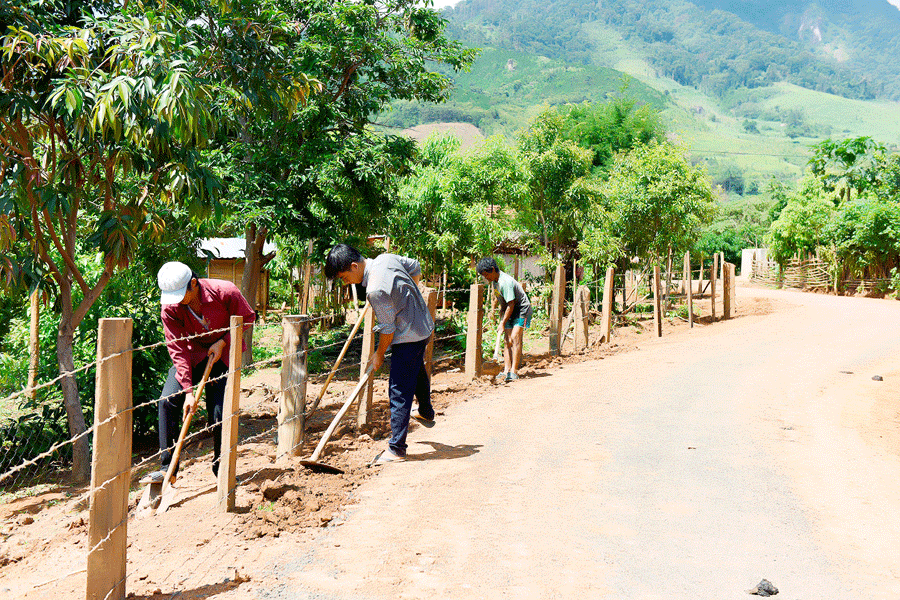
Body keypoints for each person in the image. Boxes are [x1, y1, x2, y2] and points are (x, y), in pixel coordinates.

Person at [145, 261, 256, 482]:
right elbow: (176, 347)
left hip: (222, 356)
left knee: (218, 413)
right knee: (168, 400)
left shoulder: (224, 291)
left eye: (180, 294)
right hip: (192, 355)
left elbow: (248, 318)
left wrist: (223, 342)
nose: (176, 301)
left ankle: (221, 467)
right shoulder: (170, 307)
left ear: (193, 284)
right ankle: (169, 468)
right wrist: (188, 391)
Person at [324, 243, 434, 464]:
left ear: (354, 266)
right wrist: (406, 297)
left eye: (345, 278)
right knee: (416, 367)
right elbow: (415, 267)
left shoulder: (375, 289)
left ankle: (397, 449)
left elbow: (388, 329)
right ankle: (425, 411)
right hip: (424, 325)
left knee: (399, 390)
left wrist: (379, 353)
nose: (345, 283)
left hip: (408, 335)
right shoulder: (386, 258)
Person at [476, 257, 532, 382]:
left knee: (515, 337)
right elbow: (503, 301)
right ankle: (506, 370)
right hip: (508, 309)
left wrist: (502, 323)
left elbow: (511, 304)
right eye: (484, 276)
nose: (486, 278)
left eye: (486, 274)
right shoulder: (494, 281)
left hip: (521, 309)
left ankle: (514, 371)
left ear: (492, 269)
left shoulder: (505, 281)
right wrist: (496, 311)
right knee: (507, 340)